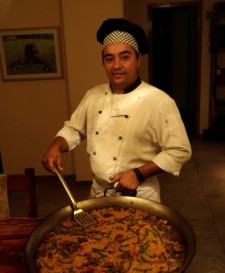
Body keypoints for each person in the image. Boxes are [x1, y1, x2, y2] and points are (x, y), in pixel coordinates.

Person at [42, 18, 192, 202]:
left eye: (125, 57)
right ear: (103, 63)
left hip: (140, 196)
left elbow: (179, 150)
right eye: (109, 58)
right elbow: (74, 129)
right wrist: (56, 145)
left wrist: (139, 173)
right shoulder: (93, 95)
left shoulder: (159, 101)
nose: (116, 65)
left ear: (138, 59)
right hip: (98, 193)